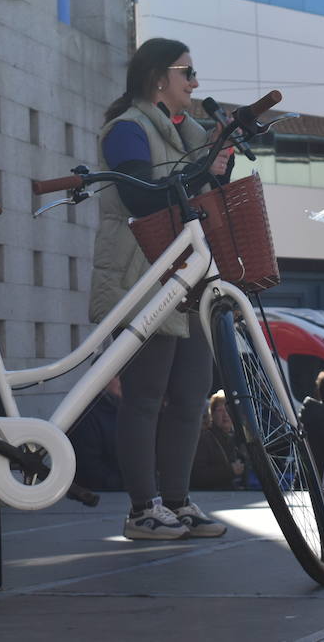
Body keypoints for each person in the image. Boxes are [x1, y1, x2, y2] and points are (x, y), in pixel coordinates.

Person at [90, 38, 233, 541]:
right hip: (142, 275)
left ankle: (177, 501)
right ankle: (141, 509)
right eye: (186, 72)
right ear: (157, 77)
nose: (195, 83)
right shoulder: (127, 129)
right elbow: (142, 195)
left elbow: (199, 195)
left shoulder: (188, 134)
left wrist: (216, 165)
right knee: (145, 397)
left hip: (186, 274)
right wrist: (202, 168)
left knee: (192, 396)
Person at [68, 377, 124, 492]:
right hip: (103, 495)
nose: (124, 380)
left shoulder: (135, 409)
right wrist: (123, 484)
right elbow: (88, 467)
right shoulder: (86, 415)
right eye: (117, 375)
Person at [191, 391, 247, 490]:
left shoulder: (239, 438)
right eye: (220, 410)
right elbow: (197, 475)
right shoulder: (204, 439)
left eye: (228, 409)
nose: (225, 414)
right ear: (212, 414)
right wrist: (230, 470)